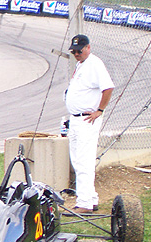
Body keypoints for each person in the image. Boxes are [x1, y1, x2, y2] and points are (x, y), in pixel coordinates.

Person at [65, 34, 114, 214]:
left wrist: (100, 110)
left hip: (87, 119)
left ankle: (84, 202)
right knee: (77, 160)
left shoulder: (94, 64)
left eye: (79, 50)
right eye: (74, 51)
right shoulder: (81, 65)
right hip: (76, 119)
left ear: (88, 48)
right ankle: (90, 198)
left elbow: (108, 88)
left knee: (84, 160)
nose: (76, 54)